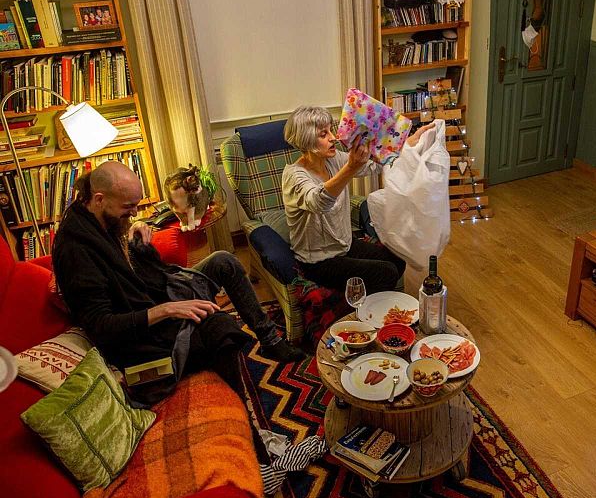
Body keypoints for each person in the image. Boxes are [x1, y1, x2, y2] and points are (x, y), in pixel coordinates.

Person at [53, 161, 306, 407]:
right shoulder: (75, 251)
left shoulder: (98, 216)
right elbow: (101, 326)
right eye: (129, 207)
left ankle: (271, 342)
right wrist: (168, 309)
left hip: (156, 294)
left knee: (223, 262)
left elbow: (120, 263)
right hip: (142, 340)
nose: (132, 213)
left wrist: (135, 232)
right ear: (99, 199)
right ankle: (241, 406)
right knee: (221, 328)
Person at [281, 106, 433, 294]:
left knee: (397, 259)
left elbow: (374, 165)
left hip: (344, 245)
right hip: (319, 261)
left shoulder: (333, 159)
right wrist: (351, 167)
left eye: (330, 130)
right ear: (307, 140)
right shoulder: (294, 176)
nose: (333, 137)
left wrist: (409, 144)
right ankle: (369, 314)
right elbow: (319, 202)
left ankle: (374, 304)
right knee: (385, 272)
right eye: (323, 134)